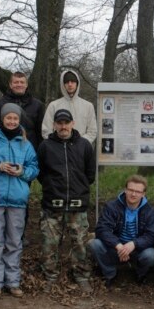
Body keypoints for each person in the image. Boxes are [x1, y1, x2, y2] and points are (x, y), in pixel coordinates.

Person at [0, 103, 39, 298]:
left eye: (15, 118)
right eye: (8, 118)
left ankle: (13, 281)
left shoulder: (25, 144)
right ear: (2, 119)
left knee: (14, 242)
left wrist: (22, 172)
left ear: (19, 120)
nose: (12, 121)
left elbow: (34, 169)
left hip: (17, 201)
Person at [37, 109, 96, 293]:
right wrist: (53, 187)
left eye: (66, 122)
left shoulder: (85, 145)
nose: (63, 126)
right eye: (59, 122)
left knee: (80, 244)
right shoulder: (45, 146)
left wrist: (78, 189)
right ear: (54, 125)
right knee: (49, 243)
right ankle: (50, 276)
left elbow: (90, 174)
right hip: (52, 205)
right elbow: (41, 173)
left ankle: (81, 276)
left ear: (73, 123)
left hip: (77, 207)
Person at [88, 175, 154, 288]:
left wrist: (134, 244)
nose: (133, 194)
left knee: (151, 254)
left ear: (143, 194)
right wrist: (119, 246)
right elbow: (102, 229)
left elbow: (152, 236)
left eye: (137, 191)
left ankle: (140, 274)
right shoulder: (111, 206)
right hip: (116, 248)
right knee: (94, 244)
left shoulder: (151, 212)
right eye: (130, 190)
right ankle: (110, 274)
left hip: (137, 250)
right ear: (125, 190)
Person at [0, 71, 45, 151]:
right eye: (16, 82)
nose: (19, 85)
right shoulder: (1, 103)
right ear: (10, 84)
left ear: (26, 85)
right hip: (6, 149)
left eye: (22, 82)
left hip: (30, 149)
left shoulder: (37, 105)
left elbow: (40, 132)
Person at [41, 70, 97, 145]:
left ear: (77, 84)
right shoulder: (53, 105)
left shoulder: (88, 106)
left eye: (73, 82)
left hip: (80, 151)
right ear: (63, 84)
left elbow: (92, 131)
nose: (70, 84)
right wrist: (56, 145)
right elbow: (46, 130)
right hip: (58, 150)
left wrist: (80, 144)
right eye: (67, 82)